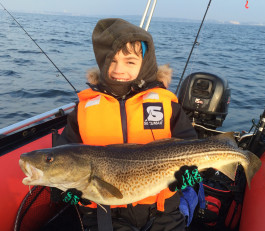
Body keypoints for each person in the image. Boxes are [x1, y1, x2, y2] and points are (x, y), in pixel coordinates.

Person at [53, 18, 199, 231]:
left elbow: (191, 146)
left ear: (145, 62)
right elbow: (63, 157)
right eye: (111, 60)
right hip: (103, 214)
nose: (118, 69)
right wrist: (64, 191)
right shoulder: (82, 112)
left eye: (130, 61)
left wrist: (191, 174)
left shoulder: (166, 105)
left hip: (162, 211)